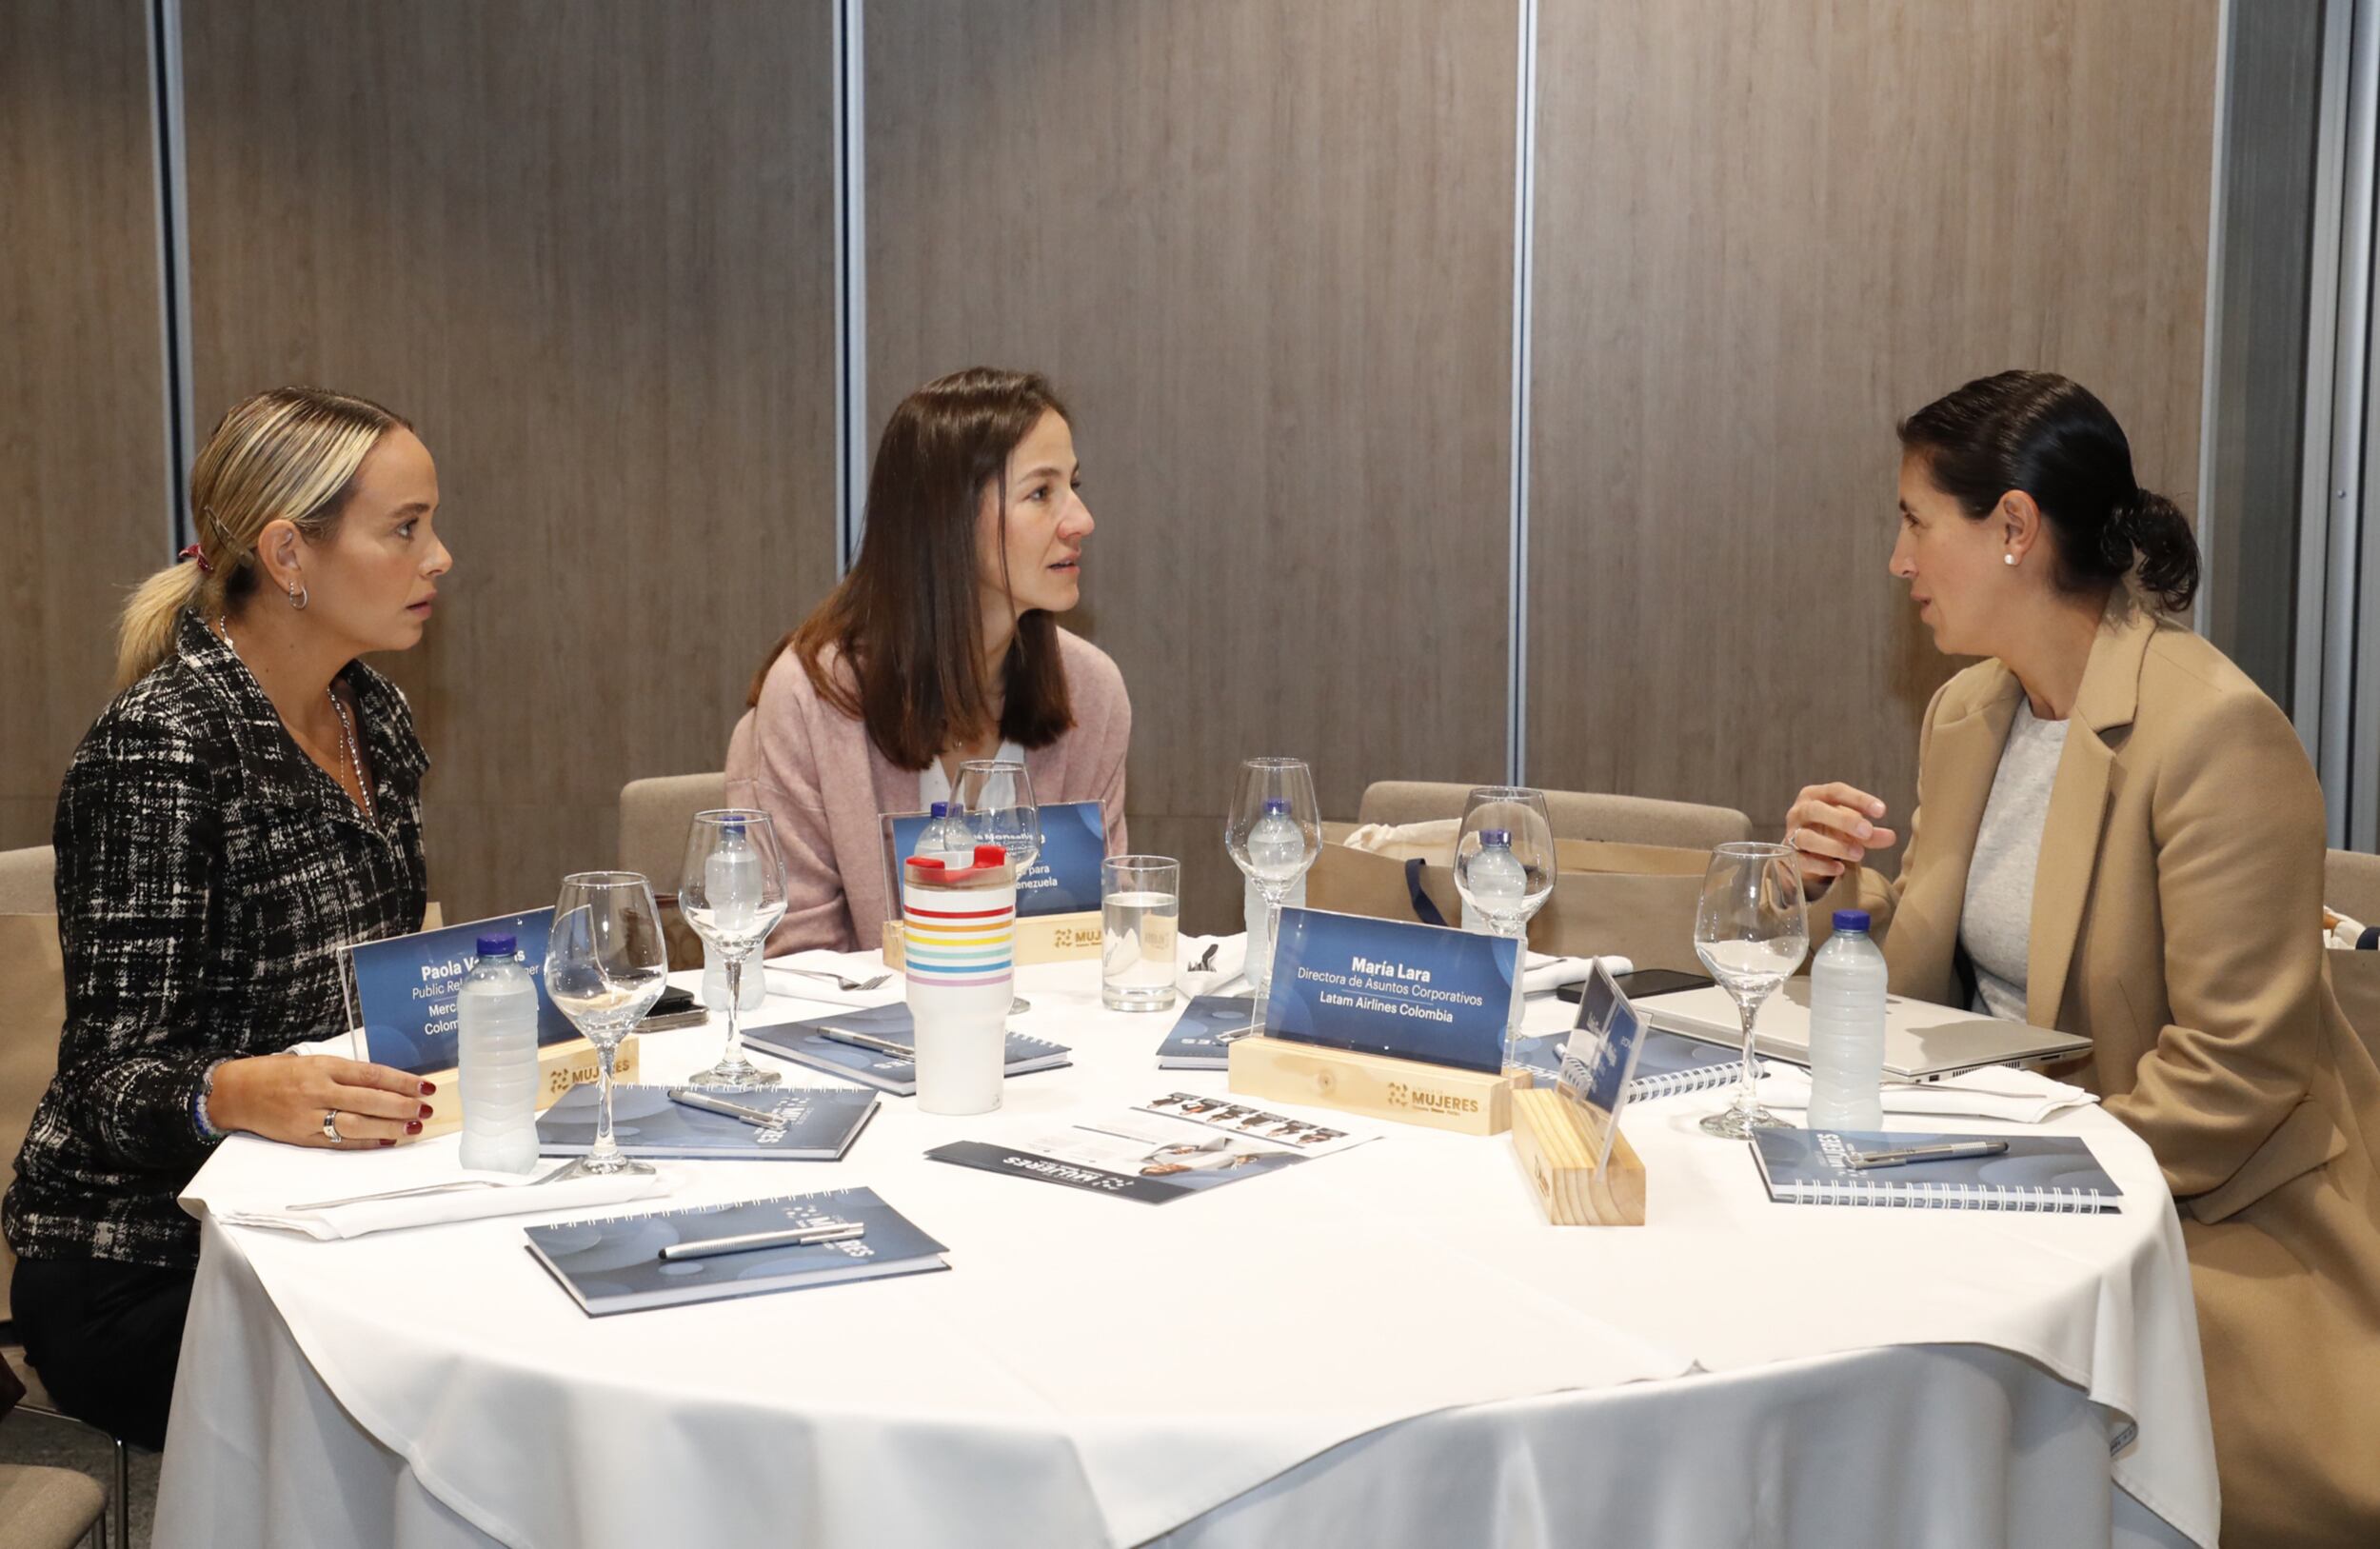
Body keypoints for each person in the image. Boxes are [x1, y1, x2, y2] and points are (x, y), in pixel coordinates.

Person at [1787, 370, 2380, 1547]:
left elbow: (2232, 1079)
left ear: (2012, 528)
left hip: (2201, 1230)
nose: (1898, 562)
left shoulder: (2215, 733)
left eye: (1914, 523)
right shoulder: (1969, 713)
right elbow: (1919, 983)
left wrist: (1999, 1180)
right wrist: (1826, 890)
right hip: (2011, 1182)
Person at [2, 387, 454, 1450]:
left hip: (321, 1211)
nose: (438, 558)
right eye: (406, 528)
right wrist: (234, 1090)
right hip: (147, 1261)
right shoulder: (162, 748)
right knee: (446, 1405)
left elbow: (370, 979)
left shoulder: (366, 705)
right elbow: (111, 1084)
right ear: (289, 554)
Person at [728, 367, 1131, 953]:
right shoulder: (811, 698)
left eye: (1073, 485)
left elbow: (1101, 938)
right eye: (1042, 493)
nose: (1081, 520)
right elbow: (796, 968)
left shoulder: (1091, 692)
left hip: (1047, 1037)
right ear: (948, 521)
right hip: (868, 1041)